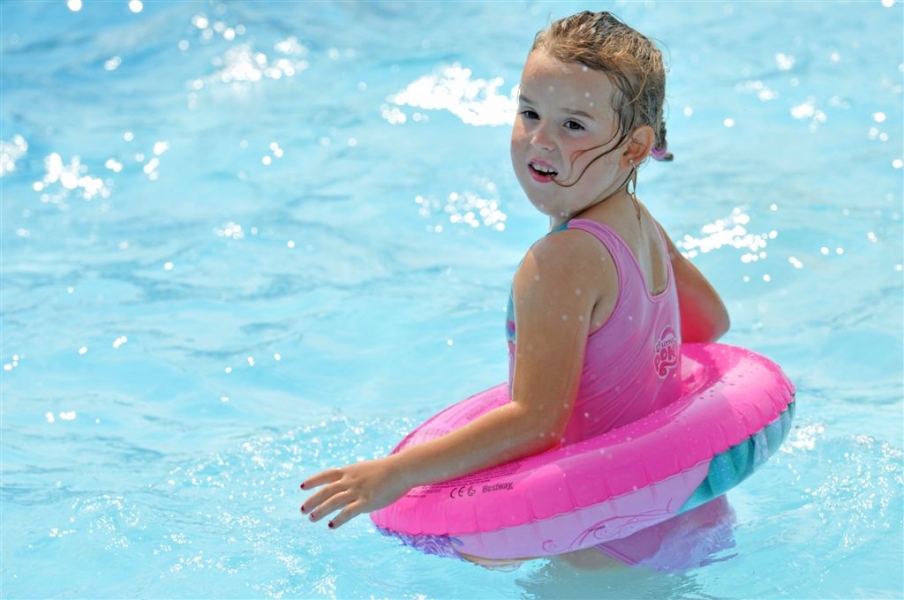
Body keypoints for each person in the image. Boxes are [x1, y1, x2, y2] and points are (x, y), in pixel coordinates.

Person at [300, 10, 730, 568]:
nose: (540, 140)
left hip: (604, 545)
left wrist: (395, 474)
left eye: (573, 124)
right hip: (689, 512)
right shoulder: (640, 224)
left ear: (633, 148)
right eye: (529, 112)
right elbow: (710, 323)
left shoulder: (560, 262)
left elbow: (536, 423)